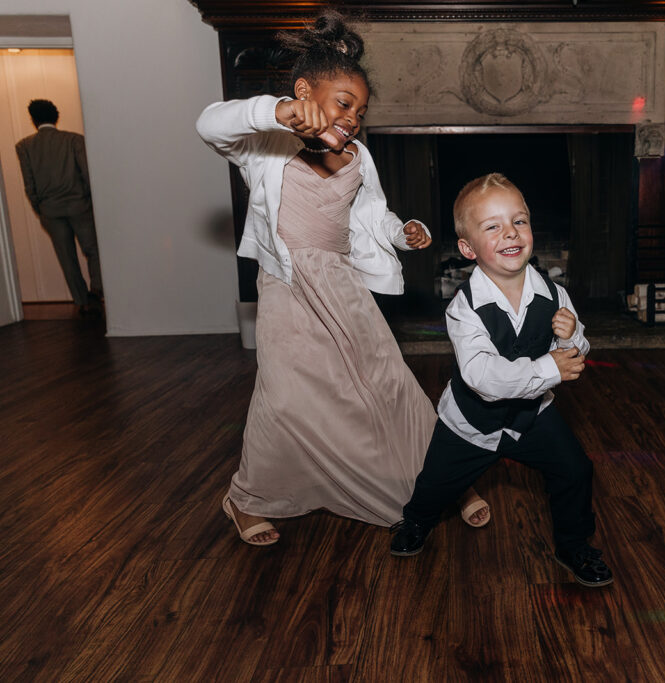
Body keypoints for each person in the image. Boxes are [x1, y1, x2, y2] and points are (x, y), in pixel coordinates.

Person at [196, 10, 489, 546]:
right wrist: (277, 112)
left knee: (390, 386)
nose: (353, 118)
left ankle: (444, 482)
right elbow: (208, 123)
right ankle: (246, 500)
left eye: (361, 111)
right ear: (305, 91)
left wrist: (406, 233)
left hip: (342, 286)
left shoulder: (358, 157)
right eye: (344, 104)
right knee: (284, 397)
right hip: (287, 287)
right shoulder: (264, 145)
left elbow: (373, 216)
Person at [389, 173, 613, 588]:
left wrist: (573, 336)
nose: (510, 232)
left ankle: (574, 544)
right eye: (492, 226)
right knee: (436, 483)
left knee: (575, 470)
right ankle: (417, 521)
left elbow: (577, 352)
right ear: (467, 248)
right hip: (471, 423)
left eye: (519, 221)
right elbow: (481, 376)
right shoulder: (464, 308)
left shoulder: (555, 294)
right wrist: (550, 367)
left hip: (533, 416)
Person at [15, 99, 103, 317]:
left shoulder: (24, 146)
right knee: (94, 250)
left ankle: (81, 300)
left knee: (66, 256)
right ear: (56, 116)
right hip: (79, 205)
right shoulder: (74, 140)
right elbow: (87, 174)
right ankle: (98, 290)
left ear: (33, 120)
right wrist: (89, 201)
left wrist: (40, 208)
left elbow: (29, 184)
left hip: (50, 210)